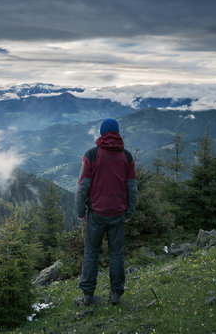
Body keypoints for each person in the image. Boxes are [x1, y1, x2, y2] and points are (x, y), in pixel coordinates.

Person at [76, 118, 138, 305]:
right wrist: (129, 212)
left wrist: (80, 211)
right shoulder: (127, 157)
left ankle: (87, 295)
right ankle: (116, 293)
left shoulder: (92, 155)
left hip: (96, 213)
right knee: (116, 254)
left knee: (91, 253)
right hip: (118, 214)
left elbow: (82, 187)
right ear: (117, 133)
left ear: (102, 133)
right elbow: (132, 188)